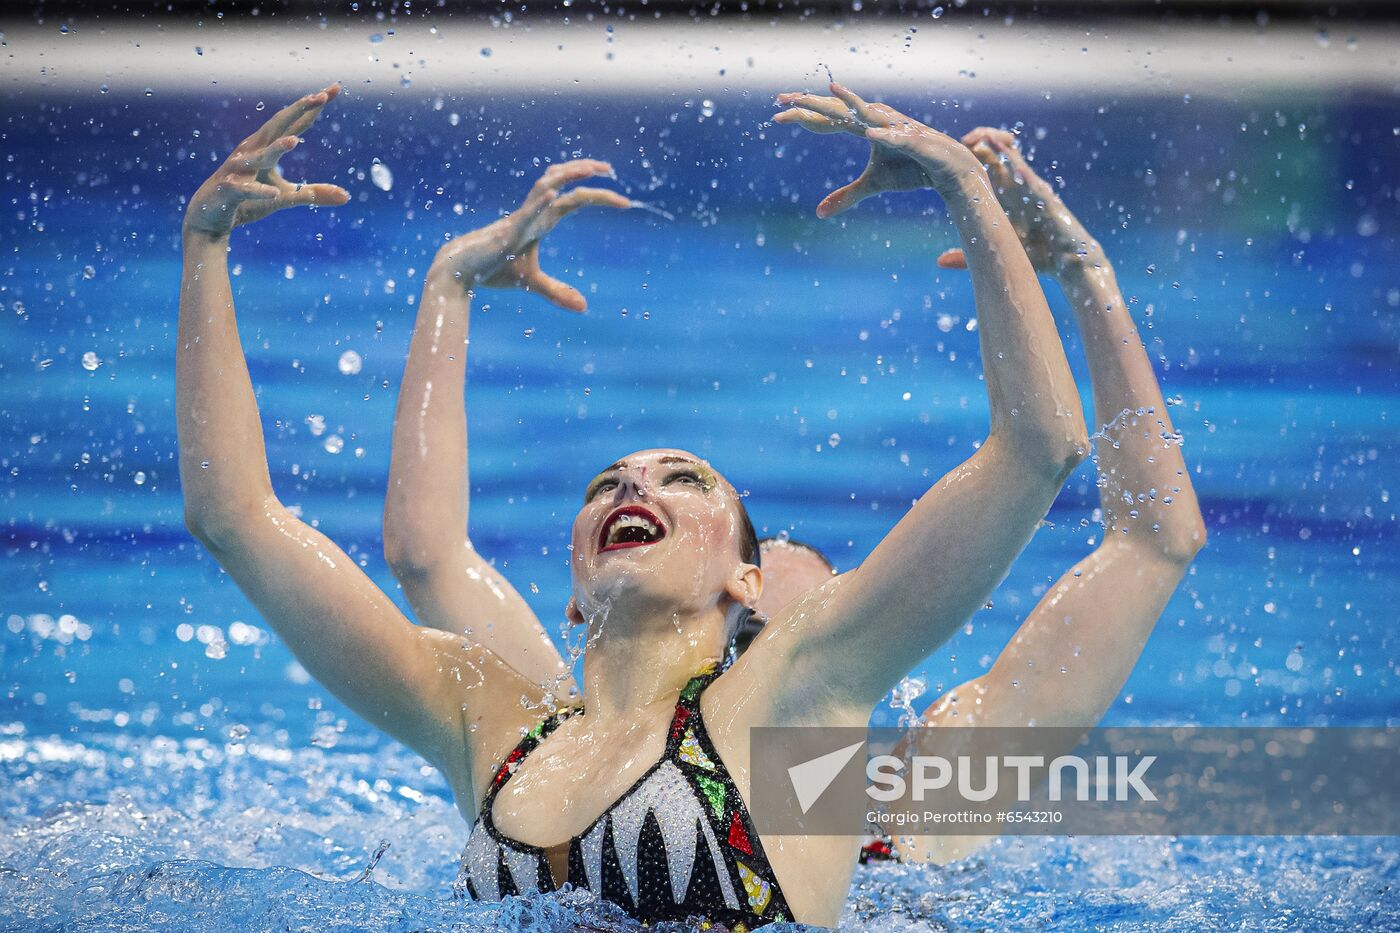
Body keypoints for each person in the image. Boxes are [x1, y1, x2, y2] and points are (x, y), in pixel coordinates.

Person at [177, 81, 1089, 927]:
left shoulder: (796, 698)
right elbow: (240, 521)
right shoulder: (490, 719)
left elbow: (1038, 452)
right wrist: (206, 246)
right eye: (606, 482)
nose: (632, 486)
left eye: (682, 478)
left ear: (746, 577)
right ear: (573, 589)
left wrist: (968, 188)